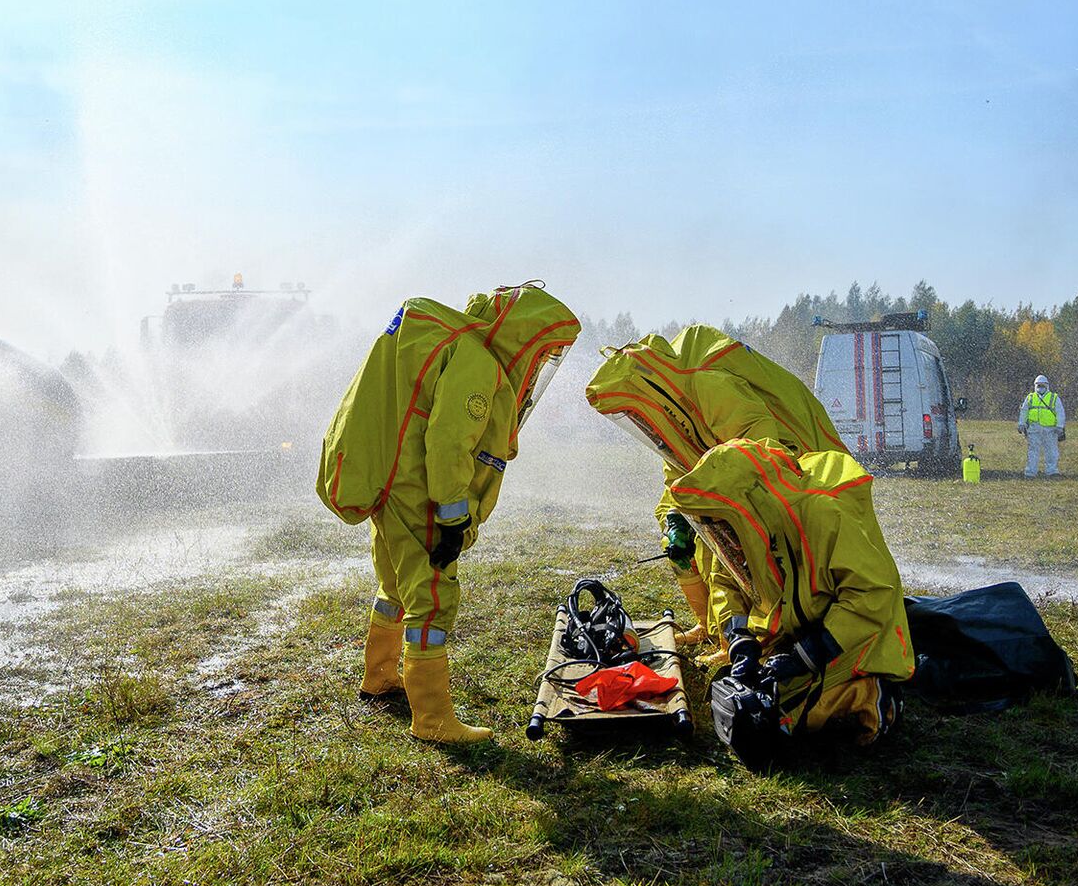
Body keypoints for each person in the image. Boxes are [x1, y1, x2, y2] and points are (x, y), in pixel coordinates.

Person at [318, 283, 578, 743]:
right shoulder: (477, 364)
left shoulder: (455, 346)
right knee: (433, 598)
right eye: (542, 353)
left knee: (394, 585)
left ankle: (378, 677)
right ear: (523, 338)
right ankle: (433, 718)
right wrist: (454, 516)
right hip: (422, 494)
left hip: (394, 484)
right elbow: (448, 444)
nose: (539, 367)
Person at [585, 326, 846, 647]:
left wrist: (713, 506)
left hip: (802, 466)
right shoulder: (675, 410)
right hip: (757, 473)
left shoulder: (708, 385)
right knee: (683, 532)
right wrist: (675, 519)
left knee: (735, 538)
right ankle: (712, 628)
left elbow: (760, 445)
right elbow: (679, 473)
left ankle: (760, 636)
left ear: (652, 392)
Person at [662, 438, 913, 766]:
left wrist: (810, 653)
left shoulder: (824, 515)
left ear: (751, 504)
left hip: (857, 638)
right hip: (795, 635)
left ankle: (873, 695)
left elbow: (871, 595)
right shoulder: (747, 530)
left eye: (723, 524)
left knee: (787, 709)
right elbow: (727, 583)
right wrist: (740, 642)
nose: (722, 535)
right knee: (745, 695)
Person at [1018, 375, 1066, 478]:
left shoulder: (1054, 397)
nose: (1040, 388)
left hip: (1050, 429)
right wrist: (1021, 423)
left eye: (1042, 385)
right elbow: (1024, 411)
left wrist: (1060, 426)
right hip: (1034, 429)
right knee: (1033, 451)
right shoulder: (1030, 397)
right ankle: (1030, 472)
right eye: (1038, 385)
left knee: (1051, 451)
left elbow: (1060, 412)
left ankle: (1052, 471)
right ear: (1035, 386)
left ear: (1047, 386)